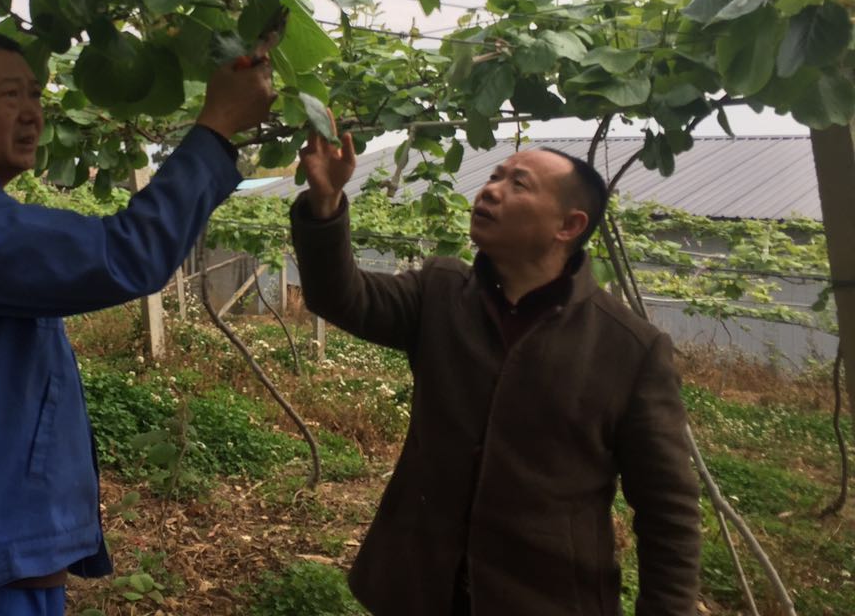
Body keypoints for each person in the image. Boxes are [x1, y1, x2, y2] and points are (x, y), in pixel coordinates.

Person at [0, 30, 275, 616]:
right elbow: (127, 255)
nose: (33, 114)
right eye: (11, 94)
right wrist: (216, 126)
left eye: (36, 96)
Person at [290, 130, 701, 616]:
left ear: (568, 225)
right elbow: (342, 296)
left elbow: (667, 512)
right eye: (494, 176)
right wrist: (326, 200)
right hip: (416, 589)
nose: (490, 190)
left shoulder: (629, 349)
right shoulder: (440, 293)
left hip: (544, 598)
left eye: (519, 185)